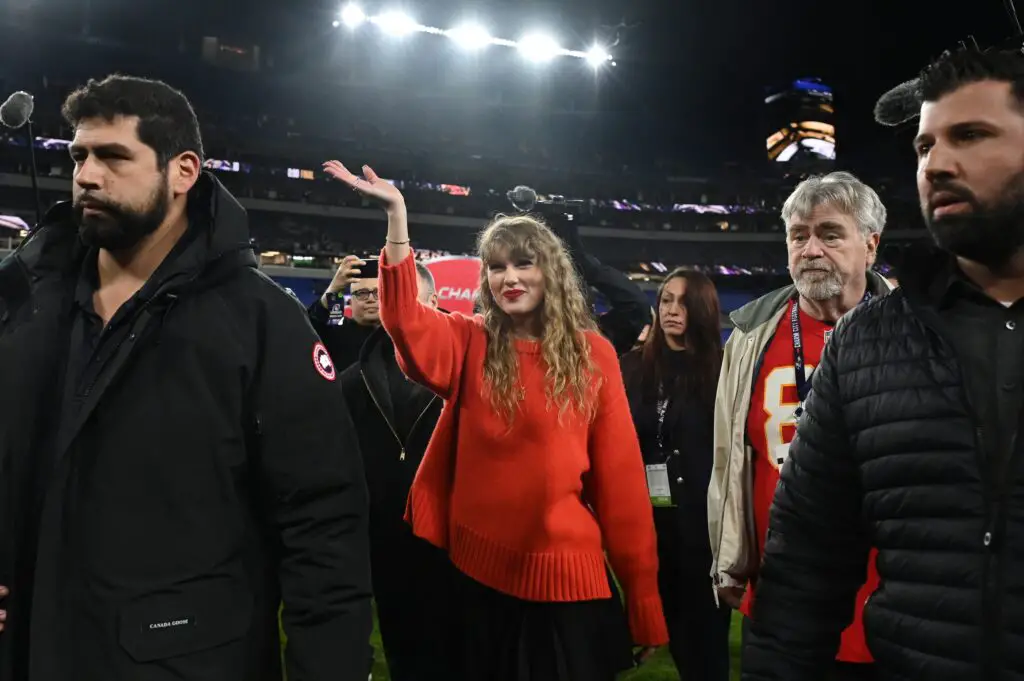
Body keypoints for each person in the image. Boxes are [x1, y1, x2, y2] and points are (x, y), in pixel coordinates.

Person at [0, 75, 372, 681]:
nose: (87, 175)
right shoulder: (23, 299)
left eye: (114, 156)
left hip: (184, 662)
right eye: (78, 156)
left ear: (183, 171)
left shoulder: (262, 323)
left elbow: (322, 526)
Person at [323, 158, 668, 681]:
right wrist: (397, 216)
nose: (509, 277)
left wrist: (642, 600)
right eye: (497, 266)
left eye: (523, 264)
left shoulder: (594, 354)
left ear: (550, 270)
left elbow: (621, 490)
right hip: (478, 581)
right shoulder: (469, 339)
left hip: (568, 584)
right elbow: (407, 324)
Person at [740, 46, 1024, 681]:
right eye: (924, 147)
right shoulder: (868, 343)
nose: (937, 165)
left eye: (971, 135)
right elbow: (803, 573)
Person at [707, 171, 894, 680]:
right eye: (798, 235)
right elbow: (730, 461)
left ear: (870, 244)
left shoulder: (914, 331)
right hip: (781, 600)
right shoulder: (747, 340)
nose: (810, 249)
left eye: (830, 234)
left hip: (892, 603)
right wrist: (731, 560)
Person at [339, 261, 461, 681]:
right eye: (394, 305)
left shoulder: (471, 370)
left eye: (412, 304)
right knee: (406, 658)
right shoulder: (353, 381)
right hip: (388, 549)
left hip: (459, 548)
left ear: (435, 303)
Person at [621, 268, 732, 680]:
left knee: (703, 652)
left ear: (702, 310)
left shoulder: (723, 369)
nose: (672, 310)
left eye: (684, 302)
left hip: (703, 534)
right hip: (646, 529)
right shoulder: (633, 368)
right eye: (666, 299)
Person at [309, 253, 381, 371]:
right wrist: (335, 287)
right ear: (350, 301)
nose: (371, 299)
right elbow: (315, 322)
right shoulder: (337, 327)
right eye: (362, 293)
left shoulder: (397, 336)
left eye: (378, 293)